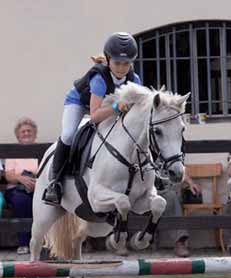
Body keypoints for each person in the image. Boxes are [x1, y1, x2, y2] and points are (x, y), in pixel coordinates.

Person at [44, 32, 141, 205]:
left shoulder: (134, 79)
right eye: (117, 63)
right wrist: (115, 108)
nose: (121, 68)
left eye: (126, 64)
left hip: (108, 108)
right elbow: (95, 116)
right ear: (109, 60)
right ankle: (55, 182)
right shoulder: (99, 79)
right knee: (68, 134)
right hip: (79, 103)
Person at [5, 117, 38, 255]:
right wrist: (21, 179)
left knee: (40, 202)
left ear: (35, 134)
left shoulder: (39, 151)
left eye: (29, 131)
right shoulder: (13, 152)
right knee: (21, 200)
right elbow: (8, 176)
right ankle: (24, 243)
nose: (26, 134)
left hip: (37, 188)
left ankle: (37, 242)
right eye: (23, 131)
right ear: (18, 135)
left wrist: (36, 183)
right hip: (16, 189)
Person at [156, 169, 201, 257]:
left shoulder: (166, 156)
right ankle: (121, 241)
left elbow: (179, 170)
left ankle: (180, 242)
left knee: (172, 196)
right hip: (142, 191)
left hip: (162, 192)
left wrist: (191, 183)